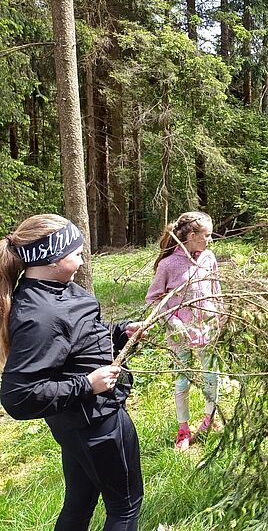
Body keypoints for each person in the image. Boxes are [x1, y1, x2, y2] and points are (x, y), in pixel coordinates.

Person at [0, 214, 144, 530]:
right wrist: (88, 384)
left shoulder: (56, 287)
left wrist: (119, 332)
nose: (82, 259)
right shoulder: (41, 315)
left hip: (78, 423)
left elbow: (79, 336)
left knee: (79, 503)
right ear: (53, 257)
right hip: (97, 424)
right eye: (77, 252)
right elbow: (18, 397)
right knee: (125, 508)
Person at [146, 211, 224, 451]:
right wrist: (173, 322)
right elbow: (153, 299)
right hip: (181, 335)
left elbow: (216, 287)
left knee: (212, 375)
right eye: (207, 235)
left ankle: (209, 419)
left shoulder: (208, 257)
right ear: (192, 235)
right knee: (183, 379)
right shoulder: (169, 265)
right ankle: (183, 429)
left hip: (207, 329)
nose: (210, 240)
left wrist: (220, 315)